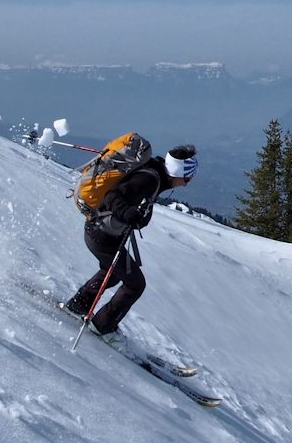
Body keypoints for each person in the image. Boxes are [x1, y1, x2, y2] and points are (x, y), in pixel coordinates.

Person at [63, 144, 197, 336]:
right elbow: (112, 197)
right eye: (187, 178)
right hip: (102, 236)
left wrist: (135, 216)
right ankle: (102, 326)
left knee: (114, 272)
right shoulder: (148, 179)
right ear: (178, 173)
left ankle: (79, 305)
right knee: (135, 285)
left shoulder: (154, 174)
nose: (186, 183)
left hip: (102, 232)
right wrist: (128, 213)